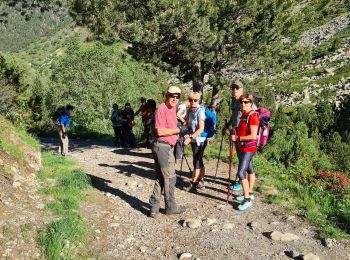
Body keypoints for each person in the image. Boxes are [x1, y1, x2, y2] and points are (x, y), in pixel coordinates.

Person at [149, 86, 186, 217]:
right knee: (170, 178)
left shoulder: (172, 109)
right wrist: (178, 130)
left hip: (166, 147)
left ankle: (154, 207)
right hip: (162, 147)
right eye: (172, 96)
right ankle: (170, 207)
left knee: (161, 177)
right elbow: (160, 131)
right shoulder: (162, 109)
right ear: (166, 96)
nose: (174, 99)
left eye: (177, 97)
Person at [222, 80, 257, 191]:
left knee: (246, 162)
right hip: (237, 135)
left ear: (242, 89)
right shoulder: (235, 102)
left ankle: (245, 186)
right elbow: (234, 116)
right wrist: (227, 125)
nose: (234, 90)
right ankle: (243, 183)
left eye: (237, 88)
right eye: (233, 88)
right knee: (243, 160)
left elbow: (254, 116)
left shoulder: (246, 101)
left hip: (245, 138)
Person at [230, 94, 259, 211]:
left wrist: (237, 139)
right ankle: (249, 192)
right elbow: (243, 130)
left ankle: (247, 200)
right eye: (241, 102)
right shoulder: (244, 115)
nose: (243, 104)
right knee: (250, 169)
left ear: (251, 103)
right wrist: (236, 130)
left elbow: (253, 135)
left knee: (241, 173)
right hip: (244, 147)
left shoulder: (253, 116)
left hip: (248, 148)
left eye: (246, 102)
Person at [183, 92, 207, 192]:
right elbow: (188, 125)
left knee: (196, 161)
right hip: (194, 139)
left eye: (195, 100)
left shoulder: (200, 111)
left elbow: (201, 128)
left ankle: (193, 183)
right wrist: (186, 133)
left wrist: (190, 137)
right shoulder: (189, 111)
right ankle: (201, 180)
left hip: (199, 140)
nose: (193, 102)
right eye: (191, 100)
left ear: (199, 101)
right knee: (199, 160)